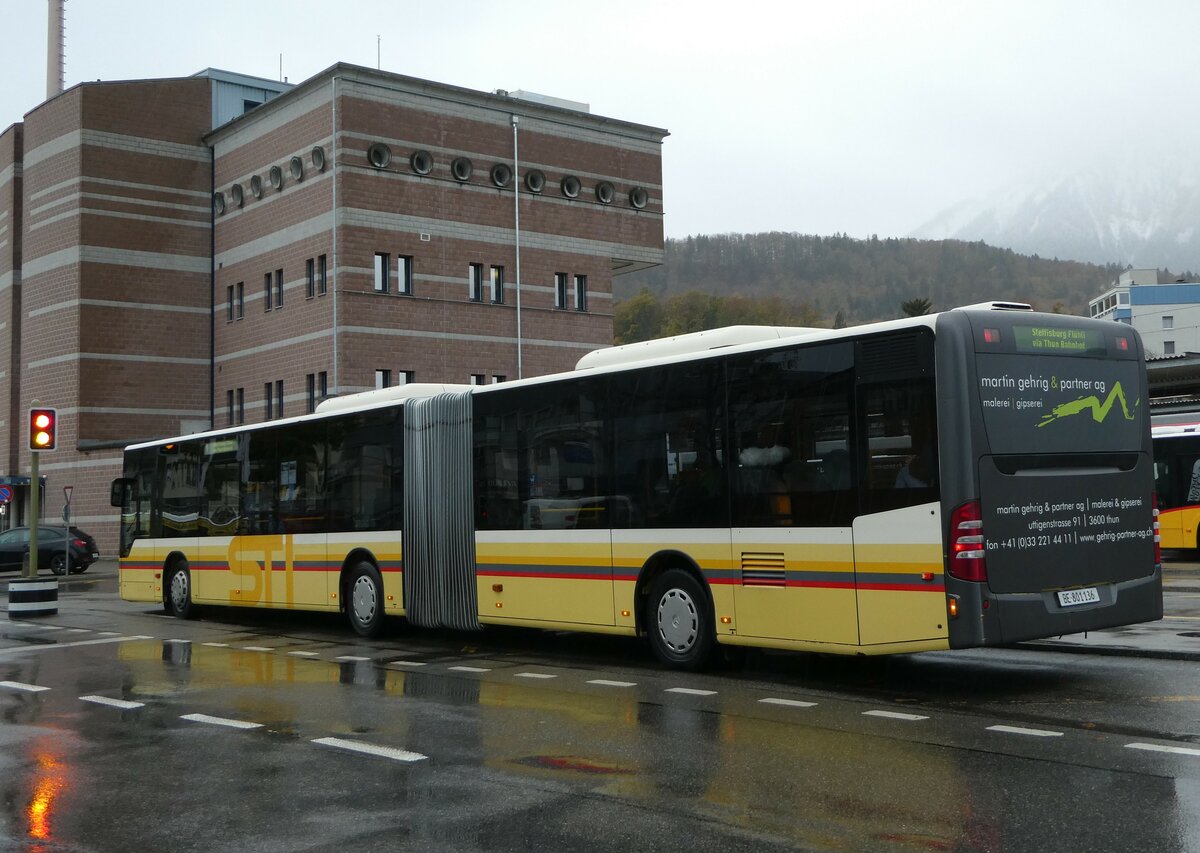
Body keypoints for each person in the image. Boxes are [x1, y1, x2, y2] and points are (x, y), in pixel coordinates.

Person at [896, 408, 936, 488]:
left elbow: (927, 471)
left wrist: (912, 463)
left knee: (903, 472)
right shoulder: (930, 443)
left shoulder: (930, 445)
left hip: (930, 483)